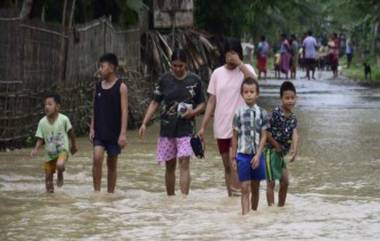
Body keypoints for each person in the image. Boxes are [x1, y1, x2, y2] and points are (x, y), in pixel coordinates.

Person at [139, 49, 206, 196]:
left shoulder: (195, 81)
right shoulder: (164, 80)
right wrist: (144, 123)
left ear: (186, 64)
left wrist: (193, 113)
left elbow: (202, 104)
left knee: (184, 161)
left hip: (187, 129)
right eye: (174, 65)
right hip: (167, 129)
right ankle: (170, 199)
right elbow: (154, 103)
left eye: (180, 66)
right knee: (170, 166)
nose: (177, 69)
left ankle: (183, 199)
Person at [197, 37, 257, 197]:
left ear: (239, 54)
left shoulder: (246, 69)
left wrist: (240, 64)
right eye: (228, 53)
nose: (230, 57)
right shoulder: (217, 73)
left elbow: (254, 83)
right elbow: (211, 101)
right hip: (221, 126)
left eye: (233, 53)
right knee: (227, 166)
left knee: (237, 163)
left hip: (242, 127)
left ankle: (242, 197)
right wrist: (203, 126)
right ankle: (231, 198)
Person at [90, 53, 128, 193]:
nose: (100, 69)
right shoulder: (98, 86)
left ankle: (110, 193)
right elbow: (95, 108)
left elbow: (124, 111)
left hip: (114, 132)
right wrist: (92, 128)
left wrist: (123, 134)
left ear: (111, 68)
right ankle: (97, 192)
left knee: (112, 165)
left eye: (102, 66)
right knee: (97, 158)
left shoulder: (121, 87)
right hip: (99, 131)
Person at [230, 78, 268, 215]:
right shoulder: (238, 113)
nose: (249, 94)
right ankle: (245, 217)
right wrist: (233, 158)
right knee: (244, 188)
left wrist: (258, 155)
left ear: (257, 93)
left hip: (257, 155)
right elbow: (234, 136)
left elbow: (264, 135)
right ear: (242, 94)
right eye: (246, 92)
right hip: (242, 155)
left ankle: (253, 213)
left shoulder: (263, 113)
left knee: (256, 188)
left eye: (252, 92)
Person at [31, 94, 77, 193]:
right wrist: (35, 149)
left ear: (57, 107)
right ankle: (51, 200)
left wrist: (73, 146)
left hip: (62, 151)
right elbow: (40, 138)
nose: (46, 106)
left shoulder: (63, 119)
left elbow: (71, 133)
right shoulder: (42, 122)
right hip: (49, 155)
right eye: (45, 105)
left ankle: (60, 173)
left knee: (60, 165)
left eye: (50, 104)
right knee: (48, 182)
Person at [265, 81, 299, 207]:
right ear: (281, 99)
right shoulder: (275, 113)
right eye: (287, 98)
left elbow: (295, 133)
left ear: (296, 98)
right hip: (270, 151)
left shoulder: (293, 117)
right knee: (271, 183)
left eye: (292, 98)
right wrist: (276, 145)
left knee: (285, 181)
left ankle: (280, 208)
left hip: (280, 154)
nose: (290, 101)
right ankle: (271, 209)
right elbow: (266, 133)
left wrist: (295, 149)